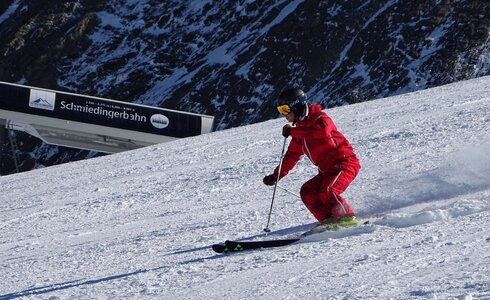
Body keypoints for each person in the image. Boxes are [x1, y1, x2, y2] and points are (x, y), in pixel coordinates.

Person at [263, 88, 361, 230]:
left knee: (328, 190)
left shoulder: (320, 119)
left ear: (296, 106)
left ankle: (347, 218)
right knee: (307, 191)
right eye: (280, 110)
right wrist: (276, 175)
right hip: (327, 170)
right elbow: (291, 156)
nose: (283, 115)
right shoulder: (300, 133)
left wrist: (293, 132)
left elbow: (321, 133)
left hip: (344, 163)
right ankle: (329, 220)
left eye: (285, 109)